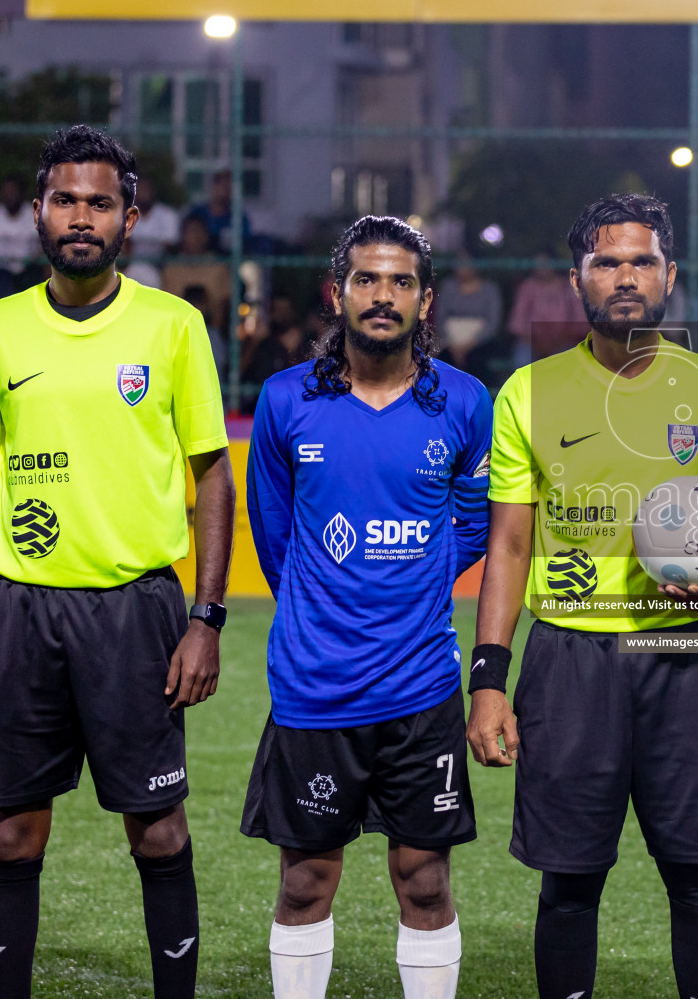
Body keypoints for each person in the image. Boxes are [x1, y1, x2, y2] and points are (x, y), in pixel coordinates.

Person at [0, 124, 235, 999]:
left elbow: (212, 478)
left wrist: (205, 619)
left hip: (137, 610)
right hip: (20, 609)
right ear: (37, 212)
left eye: (100, 201)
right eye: (65, 199)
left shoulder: (173, 327)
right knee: (13, 836)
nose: (81, 215)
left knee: (159, 832)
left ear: (129, 219)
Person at [467, 193, 698, 999]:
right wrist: (489, 680)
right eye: (607, 262)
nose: (625, 277)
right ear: (576, 279)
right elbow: (510, 545)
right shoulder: (527, 392)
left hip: (686, 649)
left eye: (641, 261)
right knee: (569, 884)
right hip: (568, 656)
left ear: (671, 274)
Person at [243, 215, 492, 999]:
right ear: (337, 292)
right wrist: (330, 602)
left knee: (424, 882)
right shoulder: (286, 401)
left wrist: (411, 579)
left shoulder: (463, 402)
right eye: (366, 279)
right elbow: (274, 535)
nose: (382, 296)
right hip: (315, 689)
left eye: (400, 282)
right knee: (305, 883)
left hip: (422, 691)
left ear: (425, 302)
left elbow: (475, 521)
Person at [506, 246, 587, 362]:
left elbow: (581, 323)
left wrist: (559, 340)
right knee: (522, 357)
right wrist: (537, 341)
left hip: (564, 342)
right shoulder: (527, 287)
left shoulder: (569, 287)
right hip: (531, 343)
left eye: (545, 262)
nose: (542, 267)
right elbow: (517, 323)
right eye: (538, 263)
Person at [162, 215, 232, 327]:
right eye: (190, 232)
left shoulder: (218, 266)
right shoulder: (172, 268)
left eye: (198, 232)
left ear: (206, 236)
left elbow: (226, 304)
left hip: (213, 330)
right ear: (182, 236)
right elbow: (166, 305)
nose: (195, 237)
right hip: (177, 329)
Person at [0, 175, 40, 274]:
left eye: (13, 192)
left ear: (21, 192)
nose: (10, 196)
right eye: (6, 192)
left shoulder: (39, 216)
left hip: (31, 272)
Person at [187, 170, 251, 253]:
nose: (228, 192)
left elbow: (244, 245)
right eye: (224, 186)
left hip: (226, 263)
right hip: (199, 261)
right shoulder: (197, 213)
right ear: (214, 187)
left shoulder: (239, 217)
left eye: (230, 188)